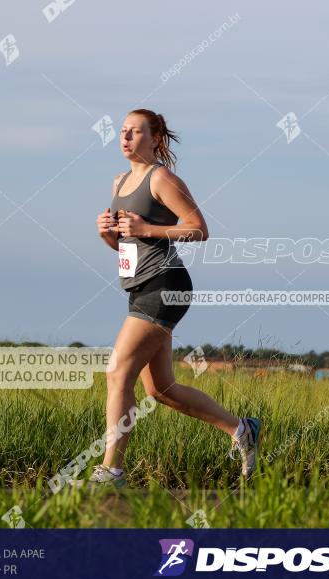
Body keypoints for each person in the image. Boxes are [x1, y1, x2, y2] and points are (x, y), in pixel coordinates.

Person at [84, 108, 260, 488]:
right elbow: (126, 246)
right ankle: (241, 429)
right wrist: (107, 236)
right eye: (123, 131)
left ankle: (110, 471)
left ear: (155, 138)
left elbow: (199, 229)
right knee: (160, 389)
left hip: (166, 285)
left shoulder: (161, 178)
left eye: (135, 131)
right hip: (139, 288)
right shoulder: (119, 182)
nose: (126, 137)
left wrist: (147, 226)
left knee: (117, 374)